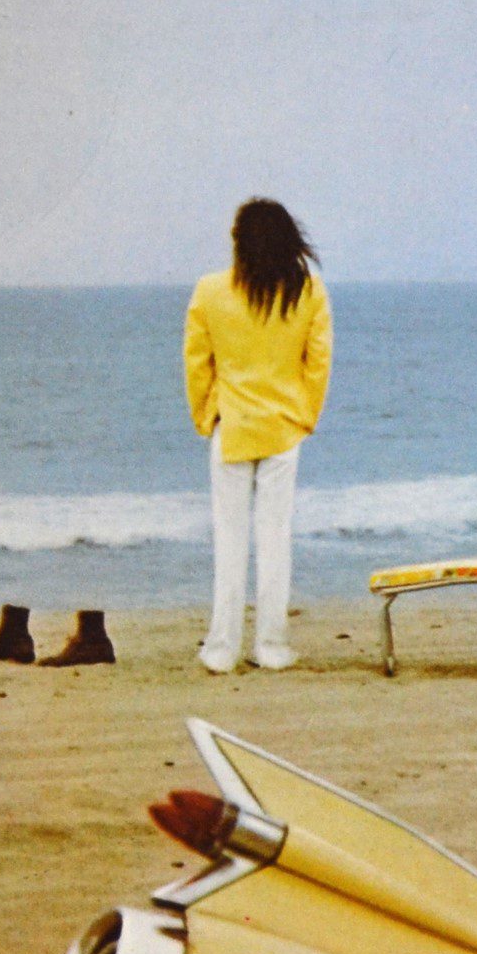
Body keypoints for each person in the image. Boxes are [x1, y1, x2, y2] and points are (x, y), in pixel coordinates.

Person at [184, 200, 333, 673]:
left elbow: (197, 362)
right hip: (284, 428)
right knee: (275, 539)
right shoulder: (308, 291)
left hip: (231, 426)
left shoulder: (211, 290)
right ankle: (271, 646)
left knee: (229, 541)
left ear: (238, 242)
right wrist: (305, 417)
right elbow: (318, 363)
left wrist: (206, 416)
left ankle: (221, 649)